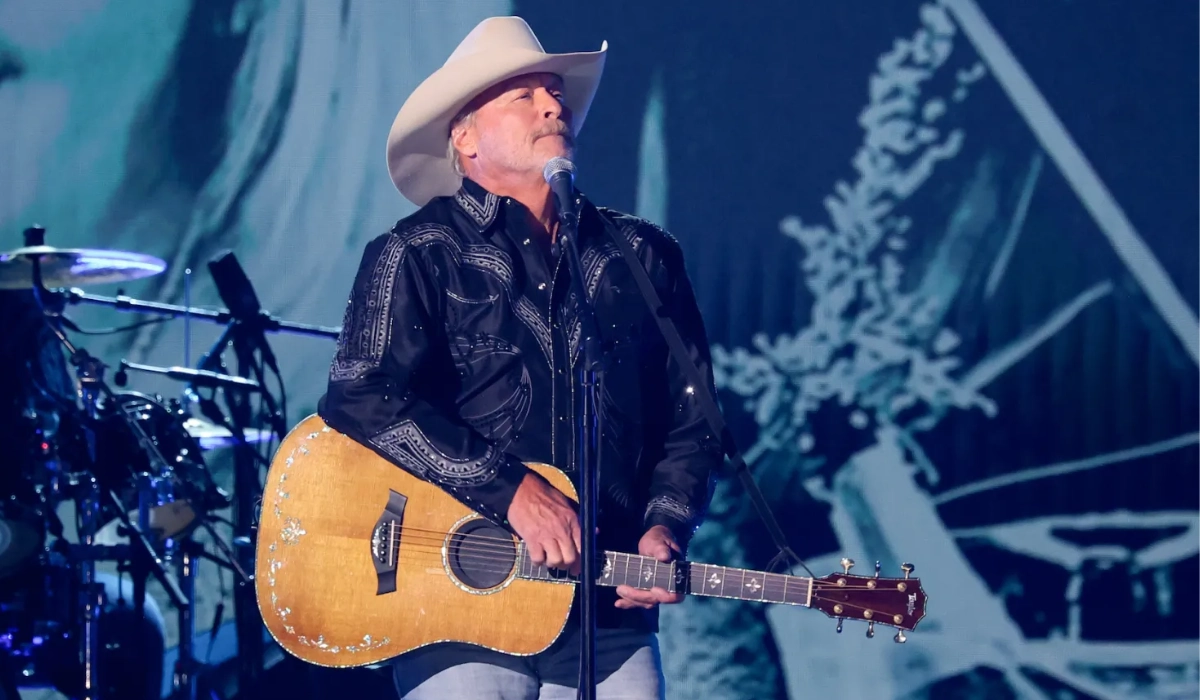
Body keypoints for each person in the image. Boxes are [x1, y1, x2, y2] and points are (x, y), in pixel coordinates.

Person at [318, 16, 722, 700]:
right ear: (465, 138)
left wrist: (666, 524)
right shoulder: (417, 252)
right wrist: (511, 490)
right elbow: (360, 391)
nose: (552, 105)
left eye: (555, 92)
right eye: (523, 95)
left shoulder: (642, 255)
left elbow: (693, 418)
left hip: (604, 611)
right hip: (456, 602)